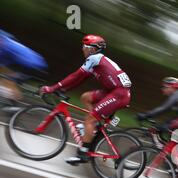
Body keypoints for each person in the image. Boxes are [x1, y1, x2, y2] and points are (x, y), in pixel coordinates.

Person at [40, 34, 132, 165]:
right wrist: (64, 89)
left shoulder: (94, 59)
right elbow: (80, 79)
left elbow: (75, 75)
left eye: (85, 46)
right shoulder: (96, 60)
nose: (83, 49)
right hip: (113, 91)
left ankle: (83, 154)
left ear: (93, 49)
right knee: (85, 97)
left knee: (89, 120)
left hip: (118, 94)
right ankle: (93, 127)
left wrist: (53, 88)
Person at [0, 29, 47, 101]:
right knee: (7, 78)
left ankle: (17, 105)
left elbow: (3, 66)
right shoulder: (9, 43)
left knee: (8, 80)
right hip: (33, 64)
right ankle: (12, 103)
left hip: (33, 66)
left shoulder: (6, 46)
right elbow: (5, 67)